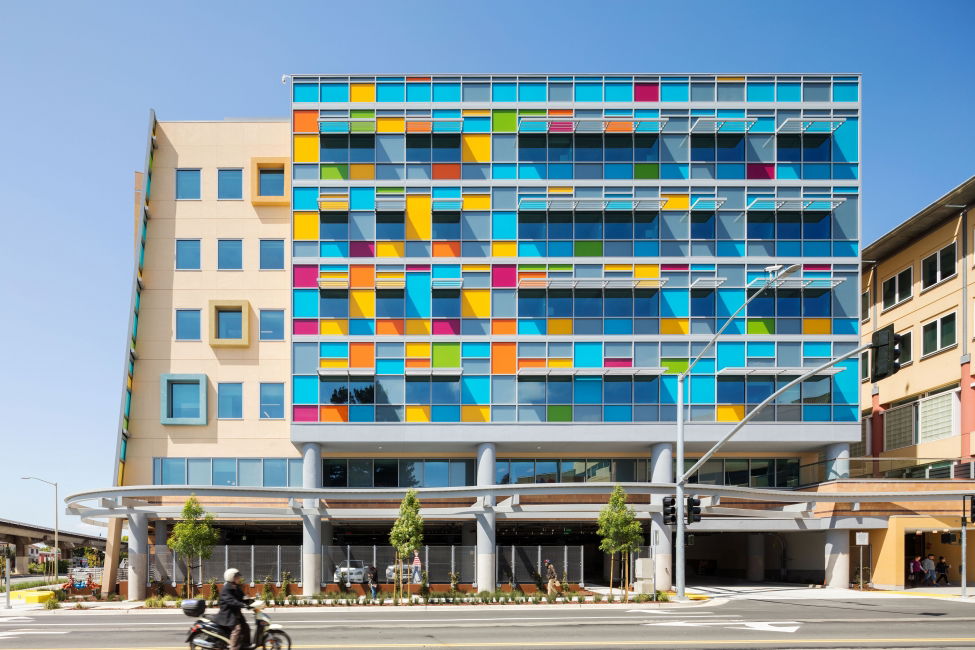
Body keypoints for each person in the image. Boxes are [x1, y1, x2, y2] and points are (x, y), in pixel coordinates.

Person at [213, 568, 250, 650]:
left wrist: (251, 603)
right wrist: (242, 605)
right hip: (228, 615)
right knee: (237, 629)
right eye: (237, 577)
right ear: (231, 578)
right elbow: (231, 601)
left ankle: (245, 645)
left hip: (235, 613)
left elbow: (243, 597)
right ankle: (233, 647)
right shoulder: (226, 589)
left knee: (246, 627)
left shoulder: (236, 587)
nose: (239, 578)